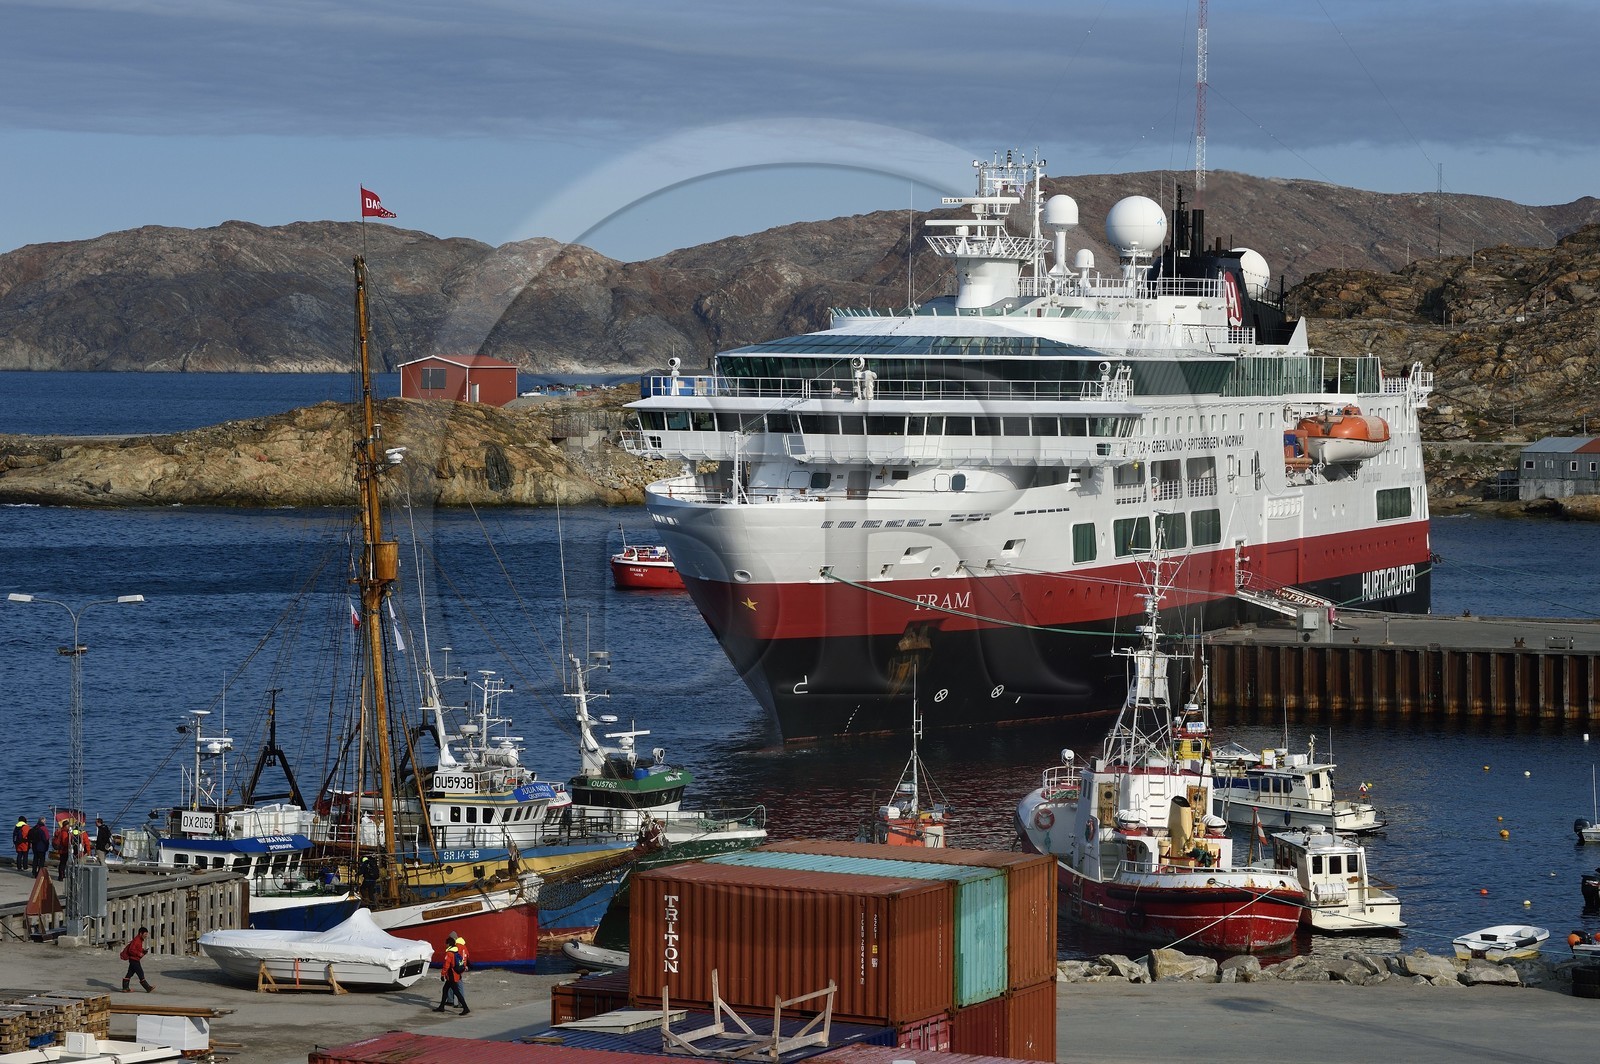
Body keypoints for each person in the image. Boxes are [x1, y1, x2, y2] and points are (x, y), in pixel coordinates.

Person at [434, 937, 468, 1014]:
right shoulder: (456, 952)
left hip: (451, 976)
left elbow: (446, 965)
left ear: (448, 944)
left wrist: (442, 974)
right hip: (455, 974)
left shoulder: (449, 953)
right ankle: (441, 1006)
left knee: (456, 991)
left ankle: (465, 1008)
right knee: (445, 989)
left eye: (446, 943)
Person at [120, 927, 154, 993]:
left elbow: (136, 949)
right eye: (145, 934)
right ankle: (148, 988)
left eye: (146, 934)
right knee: (140, 973)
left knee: (130, 973)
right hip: (134, 959)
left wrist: (143, 951)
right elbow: (131, 950)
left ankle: (125, 988)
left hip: (135, 959)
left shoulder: (140, 940)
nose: (146, 936)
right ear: (140, 933)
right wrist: (139, 954)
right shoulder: (136, 940)